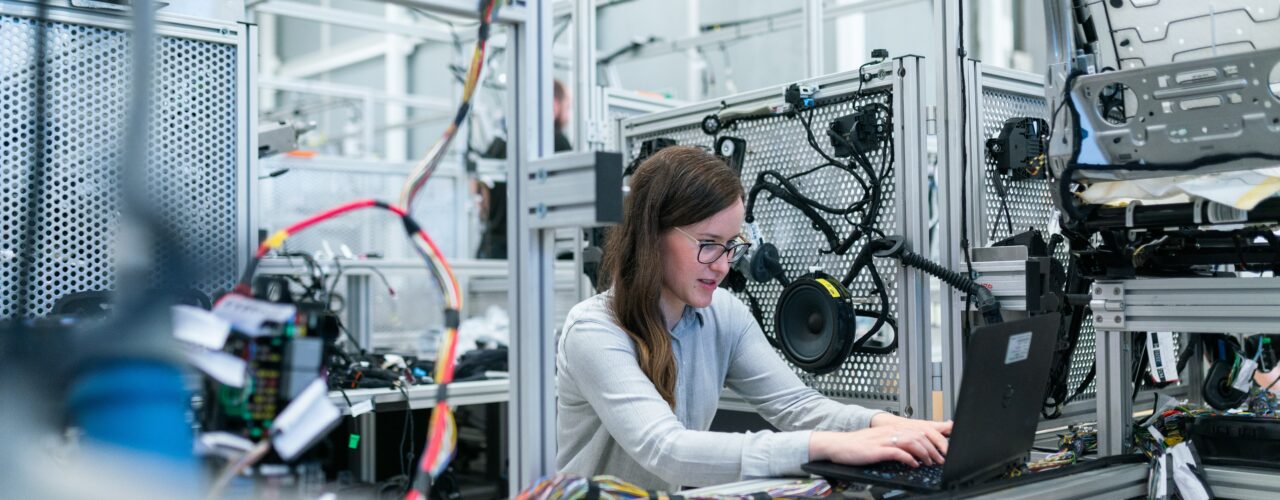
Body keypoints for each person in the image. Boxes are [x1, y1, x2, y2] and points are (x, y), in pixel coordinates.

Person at [556, 146, 952, 490]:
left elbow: (797, 406)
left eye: (732, 246)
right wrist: (824, 445)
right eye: (709, 245)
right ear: (651, 235)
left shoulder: (723, 315)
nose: (724, 266)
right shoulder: (595, 330)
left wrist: (886, 425)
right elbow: (667, 450)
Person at [474, 80, 572, 259]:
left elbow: (479, 192)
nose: (569, 115)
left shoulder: (500, 142)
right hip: (531, 251)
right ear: (554, 105)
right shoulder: (556, 141)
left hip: (493, 250)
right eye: (568, 106)